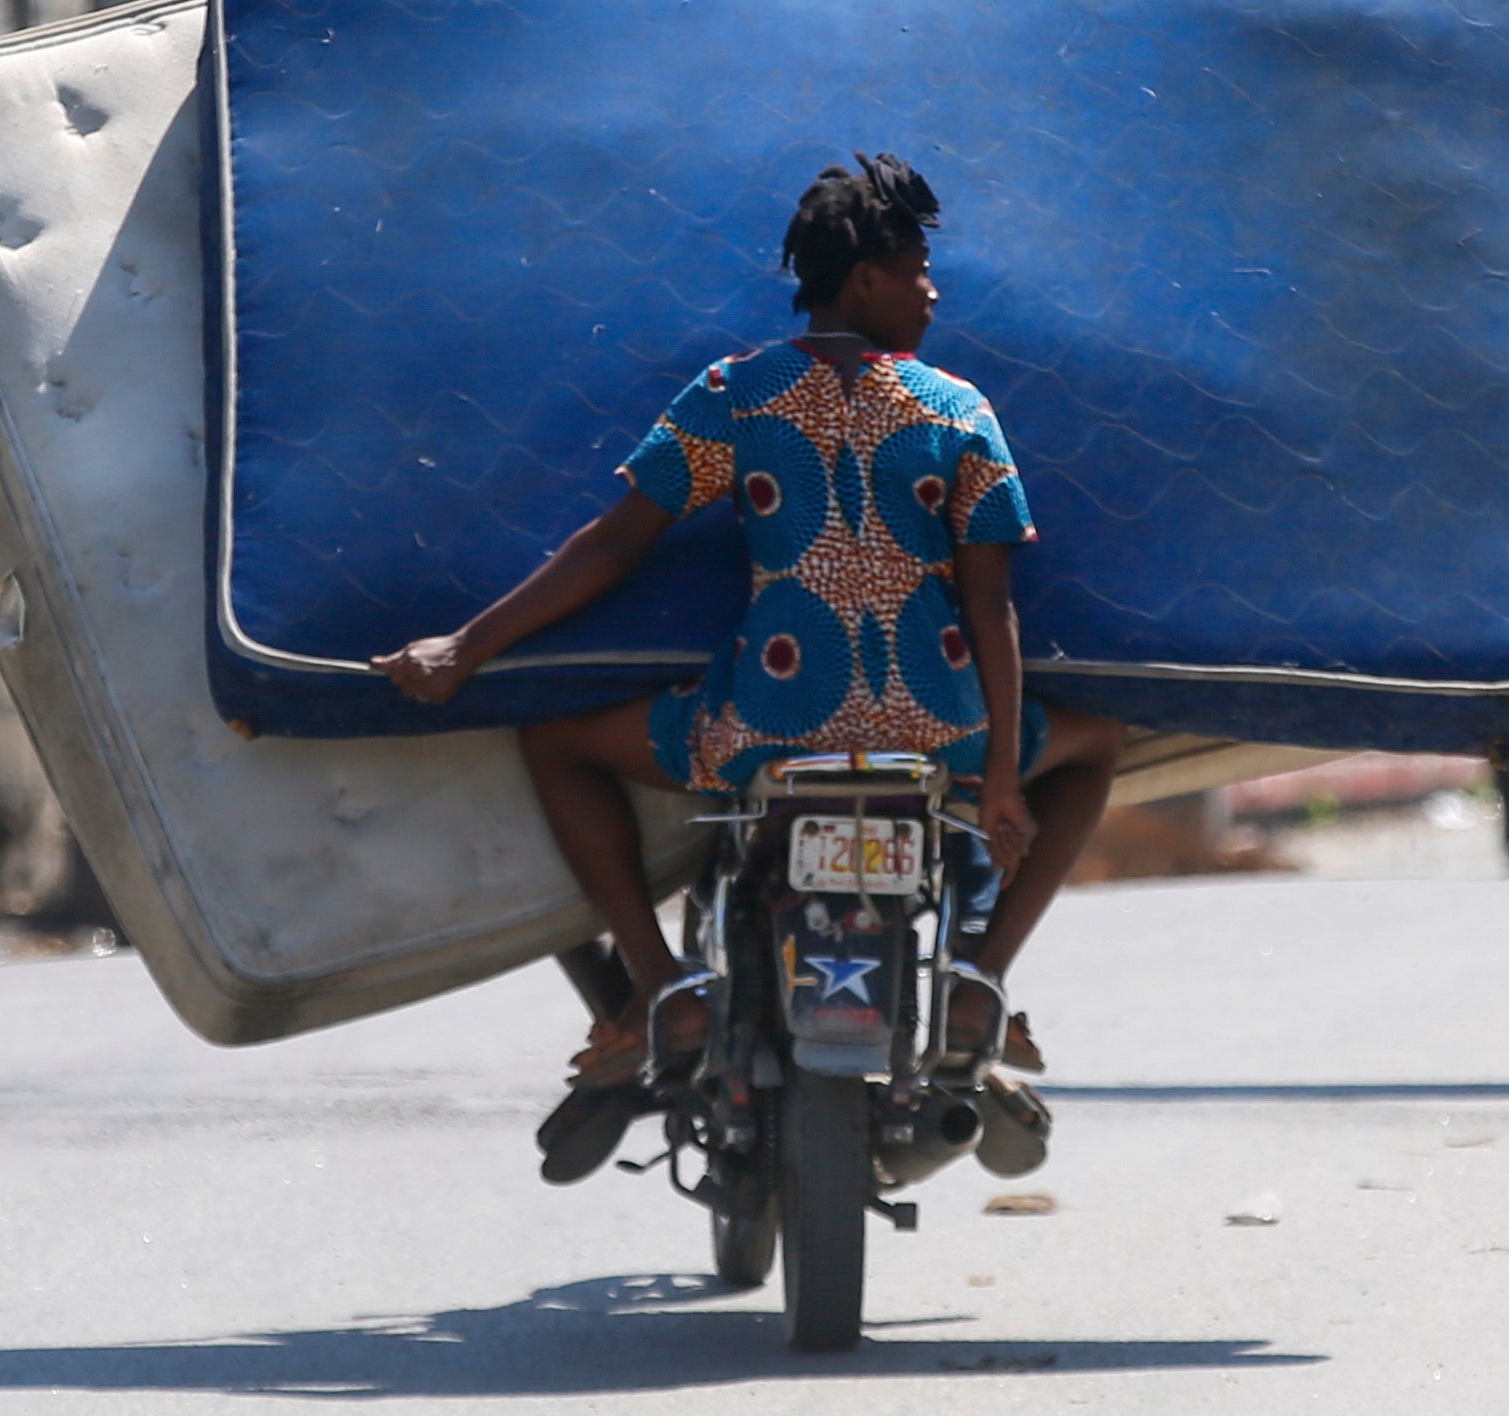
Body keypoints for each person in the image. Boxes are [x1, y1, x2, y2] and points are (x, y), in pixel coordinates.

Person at [377, 153, 1123, 1090]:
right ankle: (979, 978)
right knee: (1098, 745)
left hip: (771, 724)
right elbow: (990, 605)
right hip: (938, 728)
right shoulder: (957, 409)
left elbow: (612, 547)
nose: (932, 293)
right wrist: (1003, 779)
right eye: (916, 272)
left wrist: (465, 646)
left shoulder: (737, 393)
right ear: (863, 280)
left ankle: (660, 989)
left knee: (556, 743)